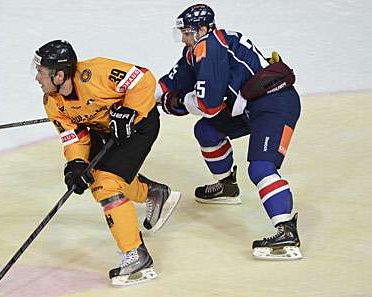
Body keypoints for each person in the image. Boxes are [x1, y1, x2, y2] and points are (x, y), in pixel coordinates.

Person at [157, 4, 303, 260]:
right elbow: (169, 83)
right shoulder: (198, 48)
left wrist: (177, 103)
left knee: (260, 168)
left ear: (202, 29)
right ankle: (227, 187)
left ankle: (287, 231)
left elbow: (208, 104)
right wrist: (138, 99)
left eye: (187, 32)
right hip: (250, 106)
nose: (183, 37)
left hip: (275, 105)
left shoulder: (211, 47)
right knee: (206, 130)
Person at [33, 40, 181, 285]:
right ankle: (152, 193)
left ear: (59, 74)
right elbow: (74, 136)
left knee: (105, 185)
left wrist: (129, 111)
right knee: (96, 178)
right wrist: (76, 163)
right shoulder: (52, 102)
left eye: (41, 72)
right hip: (104, 131)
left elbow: (143, 79)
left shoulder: (96, 72)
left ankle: (136, 256)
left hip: (140, 125)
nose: (37, 78)